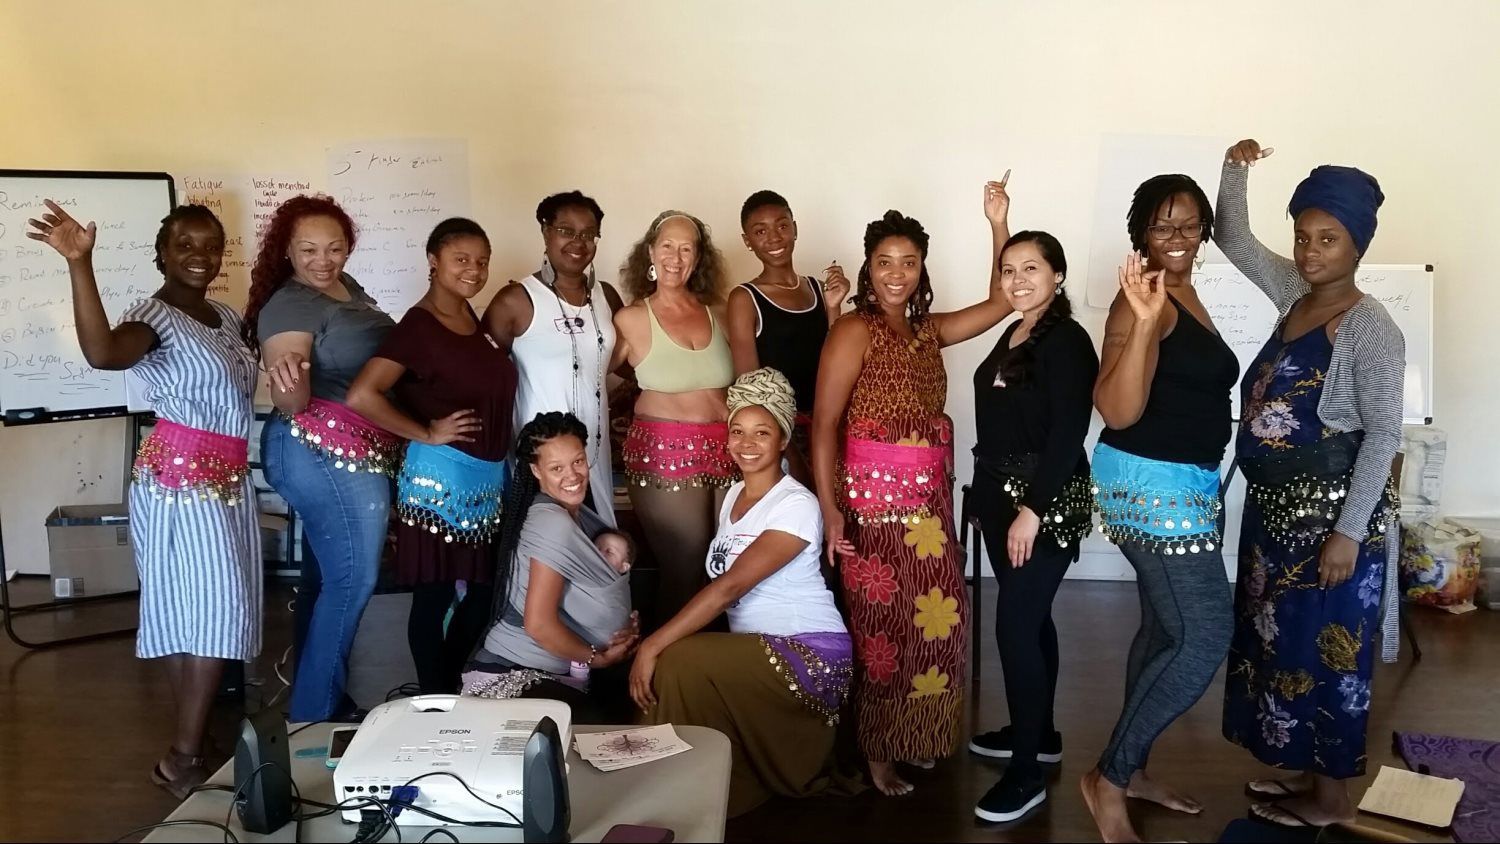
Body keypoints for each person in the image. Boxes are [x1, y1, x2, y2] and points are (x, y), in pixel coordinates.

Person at [29, 201, 260, 798]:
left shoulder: (226, 316)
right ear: (162, 253)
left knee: (199, 613)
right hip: (181, 484)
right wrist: (81, 263)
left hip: (226, 481)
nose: (198, 255)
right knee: (211, 615)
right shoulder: (152, 317)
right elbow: (102, 353)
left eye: (210, 245)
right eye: (185, 244)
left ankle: (193, 739)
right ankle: (182, 758)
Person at [1218, 139, 1404, 829]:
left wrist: (1348, 533)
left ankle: (1330, 802)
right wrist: (1235, 170)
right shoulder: (1295, 294)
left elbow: (1384, 434)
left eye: (1328, 239)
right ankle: (1304, 773)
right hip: (1275, 520)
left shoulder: (1371, 328)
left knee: (1331, 658)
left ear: (1356, 246)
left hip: (1333, 528)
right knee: (1284, 648)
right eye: (1303, 236)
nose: (1310, 251)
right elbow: (1233, 236)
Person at [811, 185, 1014, 797]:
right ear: (869, 268)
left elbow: (1005, 299)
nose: (896, 273)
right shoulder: (852, 330)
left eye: (908, 262)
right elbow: (824, 425)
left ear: (921, 268)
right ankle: (877, 751)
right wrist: (830, 511)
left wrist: (998, 224)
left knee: (940, 623)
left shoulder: (931, 332)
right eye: (884, 262)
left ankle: (916, 736)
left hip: (928, 513)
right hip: (870, 515)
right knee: (881, 632)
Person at [1082, 174, 1239, 843]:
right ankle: (1108, 779)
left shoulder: (1187, 290)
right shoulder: (1139, 301)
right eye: (1161, 226)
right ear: (1140, 233)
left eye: (1188, 224)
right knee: (1204, 635)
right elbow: (1116, 409)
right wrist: (1143, 326)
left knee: (1161, 631)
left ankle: (1133, 769)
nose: (1176, 238)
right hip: (1151, 486)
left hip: (1189, 484)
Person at [631, 368, 857, 817]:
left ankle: (667, 785)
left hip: (809, 653)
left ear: (782, 439)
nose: (746, 443)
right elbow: (721, 580)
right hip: (756, 649)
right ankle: (673, 777)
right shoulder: (734, 494)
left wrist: (652, 644)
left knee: (677, 659)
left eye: (761, 433)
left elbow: (730, 585)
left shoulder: (796, 504)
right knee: (681, 660)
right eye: (737, 431)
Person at [242, 194, 397, 723]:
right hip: (321, 450)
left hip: (350, 449)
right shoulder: (290, 305)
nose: (322, 260)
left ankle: (319, 693)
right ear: (286, 250)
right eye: (308, 250)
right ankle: (313, 716)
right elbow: (291, 394)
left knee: (326, 579)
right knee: (353, 580)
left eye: (334, 248)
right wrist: (289, 390)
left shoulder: (345, 288)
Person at [345, 218, 516, 695]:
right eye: (461, 259)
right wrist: (426, 431)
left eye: (482, 262)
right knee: (435, 596)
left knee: (482, 595)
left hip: (485, 481)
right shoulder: (418, 326)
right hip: (439, 483)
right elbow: (363, 394)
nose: (474, 270)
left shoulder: (471, 321)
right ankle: (436, 699)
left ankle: (445, 691)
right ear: (433, 262)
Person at [967, 231, 1098, 823]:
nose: (1018, 279)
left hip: (1039, 504)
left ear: (1058, 276)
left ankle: (1026, 776)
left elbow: (1070, 432)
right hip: (1003, 498)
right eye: (1008, 269)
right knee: (1031, 618)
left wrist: (1032, 510)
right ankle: (1039, 735)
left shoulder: (1067, 340)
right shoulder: (1019, 329)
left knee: (1015, 627)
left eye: (1031, 268)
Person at [464, 412, 638, 721]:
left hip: (561, 671)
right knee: (601, 735)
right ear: (536, 470)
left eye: (578, 462)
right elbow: (539, 625)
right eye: (556, 468)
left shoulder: (577, 513)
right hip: (514, 673)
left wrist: (620, 625)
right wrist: (598, 658)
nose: (572, 476)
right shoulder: (552, 523)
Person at [611, 210, 733, 624]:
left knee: (722, 561)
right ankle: (659, 675)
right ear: (650, 252)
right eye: (667, 245)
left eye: (686, 248)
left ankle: (705, 672)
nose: (675, 257)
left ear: (698, 259)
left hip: (727, 448)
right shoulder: (630, 318)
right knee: (685, 564)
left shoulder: (719, 313)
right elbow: (592, 375)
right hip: (664, 450)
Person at [482, 191, 626, 525]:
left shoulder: (607, 297)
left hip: (594, 450)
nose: (579, 242)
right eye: (566, 230)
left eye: (589, 234)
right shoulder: (516, 300)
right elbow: (483, 374)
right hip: (540, 454)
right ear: (546, 231)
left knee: (600, 541)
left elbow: (625, 362)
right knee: (544, 541)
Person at [724, 190, 849, 483]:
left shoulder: (820, 289)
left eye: (782, 225)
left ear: (795, 228)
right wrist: (789, 453)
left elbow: (839, 364)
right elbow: (751, 389)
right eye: (760, 231)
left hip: (827, 428)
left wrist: (834, 308)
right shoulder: (745, 298)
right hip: (781, 439)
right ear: (747, 241)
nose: (774, 237)